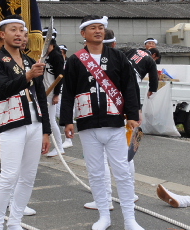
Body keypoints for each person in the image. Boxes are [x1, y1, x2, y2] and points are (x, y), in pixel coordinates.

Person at [60, 15, 143, 230]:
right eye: (93, 28)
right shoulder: (75, 60)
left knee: (122, 172)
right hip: (88, 125)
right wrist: (67, 120)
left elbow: (130, 87)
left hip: (115, 124)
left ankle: (130, 219)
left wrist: (132, 115)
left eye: (101, 28)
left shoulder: (117, 57)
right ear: (83, 33)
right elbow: (68, 92)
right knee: (95, 173)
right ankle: (104, 216)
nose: (98, 31)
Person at [0, 15, 51, 230]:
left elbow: (41, 96)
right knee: (9, 176)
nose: (18, 34)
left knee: (28, 177)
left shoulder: (30, 61)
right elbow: (4, 89)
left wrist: (46, 131)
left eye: (21, 31)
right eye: (13, 30)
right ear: (2, 34)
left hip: (35, 122)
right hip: (11, 122)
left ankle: (15, 222)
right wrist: (28, 76)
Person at [43, 38, 65, 157]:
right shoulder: (46, 55)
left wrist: (57, 94)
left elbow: (60, 76)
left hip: (51, 92)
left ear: (51, 45)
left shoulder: (57, 56)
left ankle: (59, 147)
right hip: (44, 91)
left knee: (51, 120)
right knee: (45, 119)